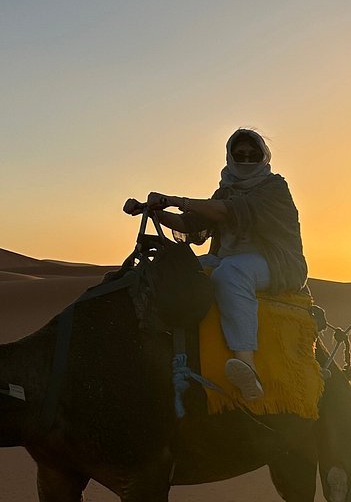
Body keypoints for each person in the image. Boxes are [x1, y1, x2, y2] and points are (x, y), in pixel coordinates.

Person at [123, 127, 308, 402]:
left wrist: (176, 200)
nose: (245, 160)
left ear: (263, 157)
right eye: (240, 154)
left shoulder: (274, 188)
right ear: (230, 156)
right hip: (230, 258)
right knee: (185, 271)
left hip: (275, 263)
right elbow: (191, 225)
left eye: (252, 154)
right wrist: (154, 211)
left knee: (230, 275)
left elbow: (229, 211)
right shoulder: (226, 191)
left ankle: (248, 366)